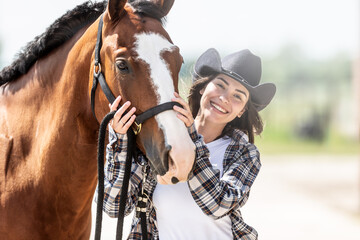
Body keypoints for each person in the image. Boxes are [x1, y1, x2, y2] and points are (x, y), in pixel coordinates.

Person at [101, 48, 276, 239]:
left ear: (242, 110)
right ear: (203, 87)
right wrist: (121, 142)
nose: (225, 98)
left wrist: (192, 138)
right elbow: (114, 206)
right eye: (220, 85)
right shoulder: (162, 138)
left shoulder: (245, 154)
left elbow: (217, 205)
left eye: (238, 96)